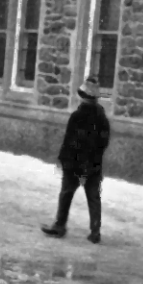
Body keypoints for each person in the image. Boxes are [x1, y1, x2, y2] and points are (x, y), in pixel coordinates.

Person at [41, 77, 111, 244]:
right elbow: (103, 142)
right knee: (93, 197)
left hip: (74, 163)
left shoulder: (77, 116)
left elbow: (70, 141)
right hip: (93, 164)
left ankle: (60, 225)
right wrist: (93, 161)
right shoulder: (102, 119)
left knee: (66, 194)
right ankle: (95, 231)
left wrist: (64, 160)